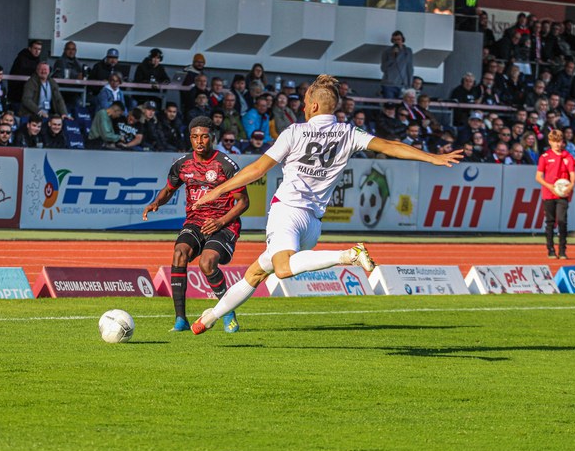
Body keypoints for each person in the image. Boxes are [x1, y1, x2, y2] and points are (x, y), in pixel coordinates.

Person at [189, 74, 463, 334]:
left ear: (314, 106)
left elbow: (258, 169)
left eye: (306, 102)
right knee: (257, 272)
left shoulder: (295, 131)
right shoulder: (348, 132)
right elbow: (390, 146)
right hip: (313, 225)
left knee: (282, 268)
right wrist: (432, 157)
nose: (303, 107)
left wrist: (218, 190)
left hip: (288, 211)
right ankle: (210, 318)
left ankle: (348, 255)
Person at [143, 115, 250, 332]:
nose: (199, 141)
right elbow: (169, 190)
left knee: (207, 263)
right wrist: (156, 203)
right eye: (195, 137)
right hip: (195, 221)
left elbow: (243, 202)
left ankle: (227, 312)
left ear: (213, 138)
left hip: (223, 224)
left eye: (204, 137)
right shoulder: (182, 164)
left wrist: (220, 222)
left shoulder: (226, 165)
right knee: (179, 253)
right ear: (190, 138)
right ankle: (180, 319)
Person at [535, 129, 575, 260]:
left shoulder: (567, 156)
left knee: (562, 221)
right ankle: (550, 249)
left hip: (562, 194)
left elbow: (572, 174)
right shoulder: (545, 157)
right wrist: (549, 186)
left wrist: (571, 185)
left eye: (559, 141)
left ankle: (562, 250)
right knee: (550, 222)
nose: (557, 144)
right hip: (548, 193)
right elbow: (538, 177)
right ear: (550, 142)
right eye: (555, 141)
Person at [380, 30, 413, 99]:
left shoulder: (408, 51)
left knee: (401, 104)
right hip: (389, 84)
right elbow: (383, 68)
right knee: (389, 103)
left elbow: (410, 68)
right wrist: (393, 57)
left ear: (402, 39)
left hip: (402, 83)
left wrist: (409, 84)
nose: (397, 41)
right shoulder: (387, 51)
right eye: (394, 40)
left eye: (398, 39)